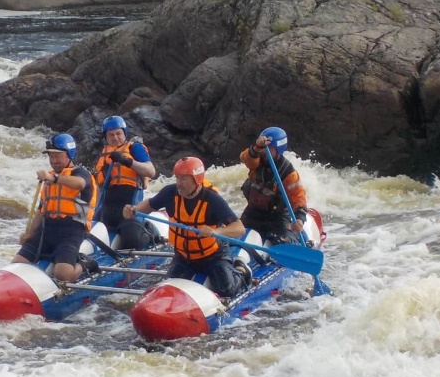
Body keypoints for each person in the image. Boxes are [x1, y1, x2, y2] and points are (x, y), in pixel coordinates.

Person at [122, 156, 251, 298]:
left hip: (213, 256)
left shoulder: (212, 200)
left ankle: (242, 269)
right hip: (184, 257)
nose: (179, 183)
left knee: (227, 290)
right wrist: (134, 210)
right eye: (177, 178)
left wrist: (215, 231)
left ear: (197, 179)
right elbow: (150, 205)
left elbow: (239, 228)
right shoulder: (170, 193)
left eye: (184, 178)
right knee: (169, 292)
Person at [13, 133, 99, 282]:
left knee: (63, 275)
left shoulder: (80, 174)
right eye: (51, 156)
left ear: (70, 154)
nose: (54, 160)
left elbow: (80, 184)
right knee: (16, 266)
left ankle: (85, 264)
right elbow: (41, 211)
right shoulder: (49, 179)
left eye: (58, 156)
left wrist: (54, 178)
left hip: (71, 232)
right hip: (46, 231)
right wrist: (29, 233)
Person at [93, 115, 158, 249]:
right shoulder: (104, 154)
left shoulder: (135, 148)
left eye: (118, 133)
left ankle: (151, 231)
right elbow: (100, 187)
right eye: (111, 135)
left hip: (130, 208)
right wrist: (94, 211)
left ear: (125, 133)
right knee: (88, 233)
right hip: (107, 208)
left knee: (131, 240)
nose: (115, 138)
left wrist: (127, 161)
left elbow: (151, 171)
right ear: (106, 137)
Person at [239, 126, 309, 245]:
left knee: (283, 241)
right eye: (264, 148)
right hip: (253, 212)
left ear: (279, 149)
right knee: (238, 234)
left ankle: (296, 239)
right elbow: (245, 158)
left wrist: (299, 219)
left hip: (276, 217)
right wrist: (256, 148)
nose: (265, 151)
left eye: (270, 149)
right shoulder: (256, 160)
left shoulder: (288, 172)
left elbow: (298, 197)